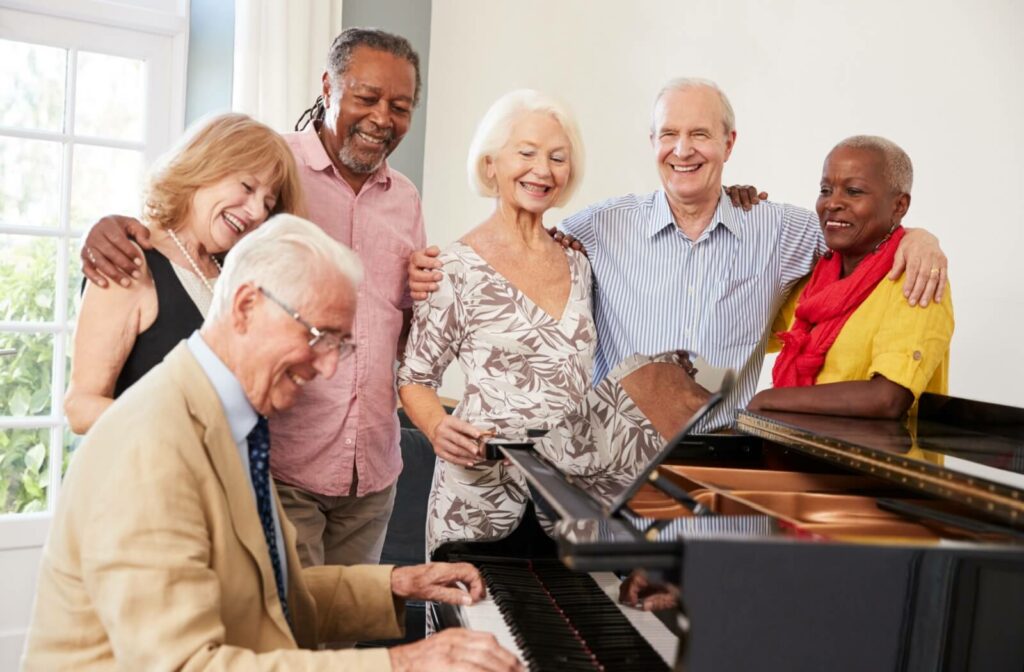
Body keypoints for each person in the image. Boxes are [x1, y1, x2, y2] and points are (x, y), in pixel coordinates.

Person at [22, 215, 521, 672]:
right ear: (245, 306)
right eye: (319, 336)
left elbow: (269, 599)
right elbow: (184, 666)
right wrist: (402, 663)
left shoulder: (233, 422)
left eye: (341, 344)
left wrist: (396, 583)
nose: (328, 367)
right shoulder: (150, 445)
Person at [409, 77, 949, 434]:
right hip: (613, 474)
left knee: (717, 608)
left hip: (725, 475)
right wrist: (432, 268)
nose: (683, 149)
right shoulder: (597, 227)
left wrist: (922, 236)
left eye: (700, 134)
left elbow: (857, 235)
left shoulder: (781, 229)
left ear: (728, 143)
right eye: (669, 134)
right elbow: (520, 240)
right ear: (652, 142)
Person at [78, 28, 427, 569]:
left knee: (344, 629)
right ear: (329, 87)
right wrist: (108, 226)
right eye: (366, 97)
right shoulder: (273, 162)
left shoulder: (404, 199)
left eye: (400, 106)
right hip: (279, 468)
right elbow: (181, 218)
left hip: (372, 468)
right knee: (278, 636)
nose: (382, 117)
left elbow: (398, 322)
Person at [397, 90, 597, 556]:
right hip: (478, 499)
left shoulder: (580, 264)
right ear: (491, 165)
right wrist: (436, 429)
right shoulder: (452, 268)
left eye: (557, 157)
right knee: (473, 627)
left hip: (569, 504)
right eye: (526, 152)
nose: (542, 169)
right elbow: (414, 378)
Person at [64, 112, 302, 434]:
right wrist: (181, 426)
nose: (257, 212)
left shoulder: (232, 278)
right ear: (204, 167)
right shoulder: (130, 263)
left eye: (268, 203)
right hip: (146, 478)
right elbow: (81, 408)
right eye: (247, 187)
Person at [747, 136, 953, 418]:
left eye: (854, 191)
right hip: (798, 455)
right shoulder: (813, 281)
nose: (833, 203)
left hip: (875, 461)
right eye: (825, 189)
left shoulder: (916, 279)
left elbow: (888, 398)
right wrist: (740, 220)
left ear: (899, 206)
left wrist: (768, 400)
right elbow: (740, 330)